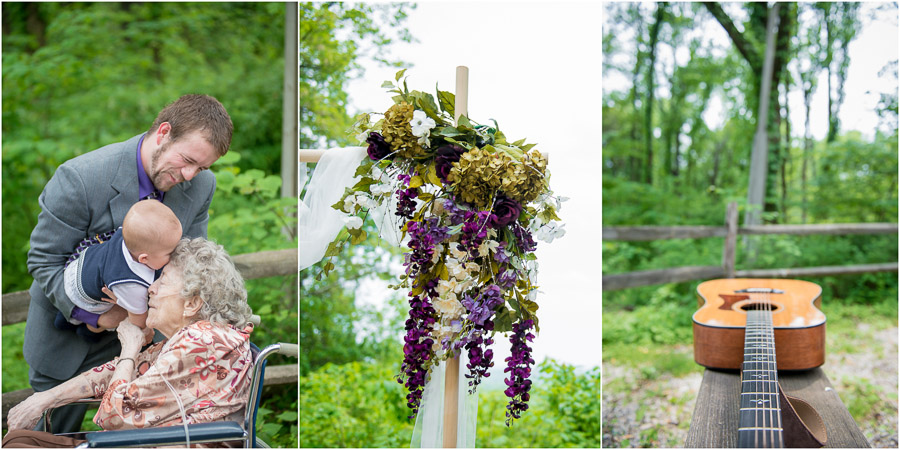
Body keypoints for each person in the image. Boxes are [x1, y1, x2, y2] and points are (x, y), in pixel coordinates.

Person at [24, 94, 233, 433]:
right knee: (53, 435)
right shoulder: (80, 178)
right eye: (187, 160)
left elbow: (190, 263)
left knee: (137, 435)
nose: (190, 174)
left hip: (147, 344)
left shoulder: (200, 187)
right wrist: (97, 317)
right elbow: (44, 261)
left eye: (203, 168)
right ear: (164, 132)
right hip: (66, 338)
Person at [4, 238, 255, 448]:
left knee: (17, 444)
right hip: (143, 442)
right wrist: (45, 399)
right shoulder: (202, 338)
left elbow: (114, 417)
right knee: (20, 440)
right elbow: (119, 372)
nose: (150, 289)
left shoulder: (200, 340)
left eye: (163, 280)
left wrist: (130, 348)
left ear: (192, 303)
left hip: (148, 443)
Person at [57, 200, 182, 338]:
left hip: (84, 263)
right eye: (169, 253)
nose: (175, 253)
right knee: (121, 312)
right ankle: (87, 329)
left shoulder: (131, 237)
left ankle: (73, 322)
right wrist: (146, 331)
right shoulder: (131, 284)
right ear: (144, 259)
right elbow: (138, 318)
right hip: (82, 293)